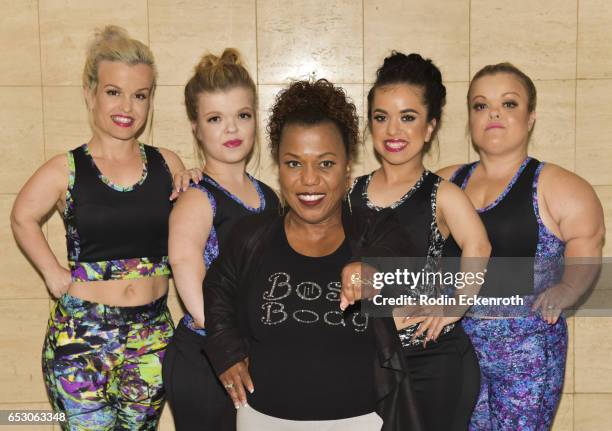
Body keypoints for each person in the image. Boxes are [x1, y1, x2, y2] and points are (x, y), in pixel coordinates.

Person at [203, 79, 425, 431]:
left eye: (325, 164)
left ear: (347, 167)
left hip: (361, 422)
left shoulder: (375, 228)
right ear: (278, 167)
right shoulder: (251, 236)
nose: (309, 180)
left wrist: (373, 267)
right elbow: (218, 290)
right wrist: (225, 349)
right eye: (294, 164)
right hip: (263, 420)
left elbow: (404, 257)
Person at [10, 26, 186, 430]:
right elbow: (22, 216)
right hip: (80, 341)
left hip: (153, 340)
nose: (127, 105)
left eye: (140, 95)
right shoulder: (65, 168)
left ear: (150, 100)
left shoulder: (168, 164)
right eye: (114, 92)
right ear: (90, 93)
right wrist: (53, 274)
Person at [437, 62, 605, 430]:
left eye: (509, 104)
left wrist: (566, 290)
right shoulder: (446, 181)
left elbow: (586, 243)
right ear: (469, 119)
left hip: (527, 359)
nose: (494, 112)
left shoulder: (560, 186)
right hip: (456, 351)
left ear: (531, 117)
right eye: (480, 105)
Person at [345, 51, 491, 431]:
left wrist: (453, 307)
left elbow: (479, 246)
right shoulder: (349, 193)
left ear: (429, 127)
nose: (393, 130)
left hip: (433, 362)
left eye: (408, 117)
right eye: (382, 117)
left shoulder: (442, 194)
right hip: (367, 360)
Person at [162, 48, 278, 431]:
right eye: (215, 118)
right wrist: (224, 344)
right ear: (195, 126)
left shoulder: (269, 196)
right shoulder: (197, 196)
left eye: (242, 116)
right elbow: (184, 264)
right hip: (206, 358)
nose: (232, 129)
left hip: (253, 353)